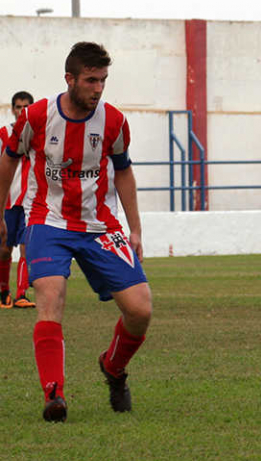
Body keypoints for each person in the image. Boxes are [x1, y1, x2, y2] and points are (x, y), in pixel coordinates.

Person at [0, 42, 153, 422]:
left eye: (102, 80)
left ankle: (113, 368)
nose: (98, 88)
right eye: (90, 80)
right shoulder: (36, 116)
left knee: (140, 310)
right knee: (50, 299)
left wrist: (134, 228)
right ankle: (55, 395)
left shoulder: (114, 121)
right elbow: (8, 160)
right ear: (69, 79)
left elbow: (123, 171)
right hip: (46, 220)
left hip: (99, 225)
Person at [0, 91, 35, 308]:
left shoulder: (39, 134)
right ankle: (4, 291)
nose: (22, 111)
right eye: (18, 107)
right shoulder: (4, 133)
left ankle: (22, 294)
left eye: (26, 107)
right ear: (13, 109)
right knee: (4, 248)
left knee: (26, 247)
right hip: (8, 201)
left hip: (31, 201)